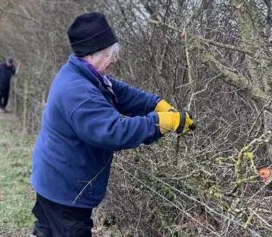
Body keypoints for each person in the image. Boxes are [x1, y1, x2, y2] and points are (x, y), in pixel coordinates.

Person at [30, 12, 195, 237]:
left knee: (47, 231)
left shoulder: (84, 74)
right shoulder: (77, 91)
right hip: (65, 189)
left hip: (55, 178)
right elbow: (113, 132)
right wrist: (161, 123)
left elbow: (120, 92)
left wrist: (156, 104)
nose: (114, 60)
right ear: (91, 55)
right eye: (110, 54)